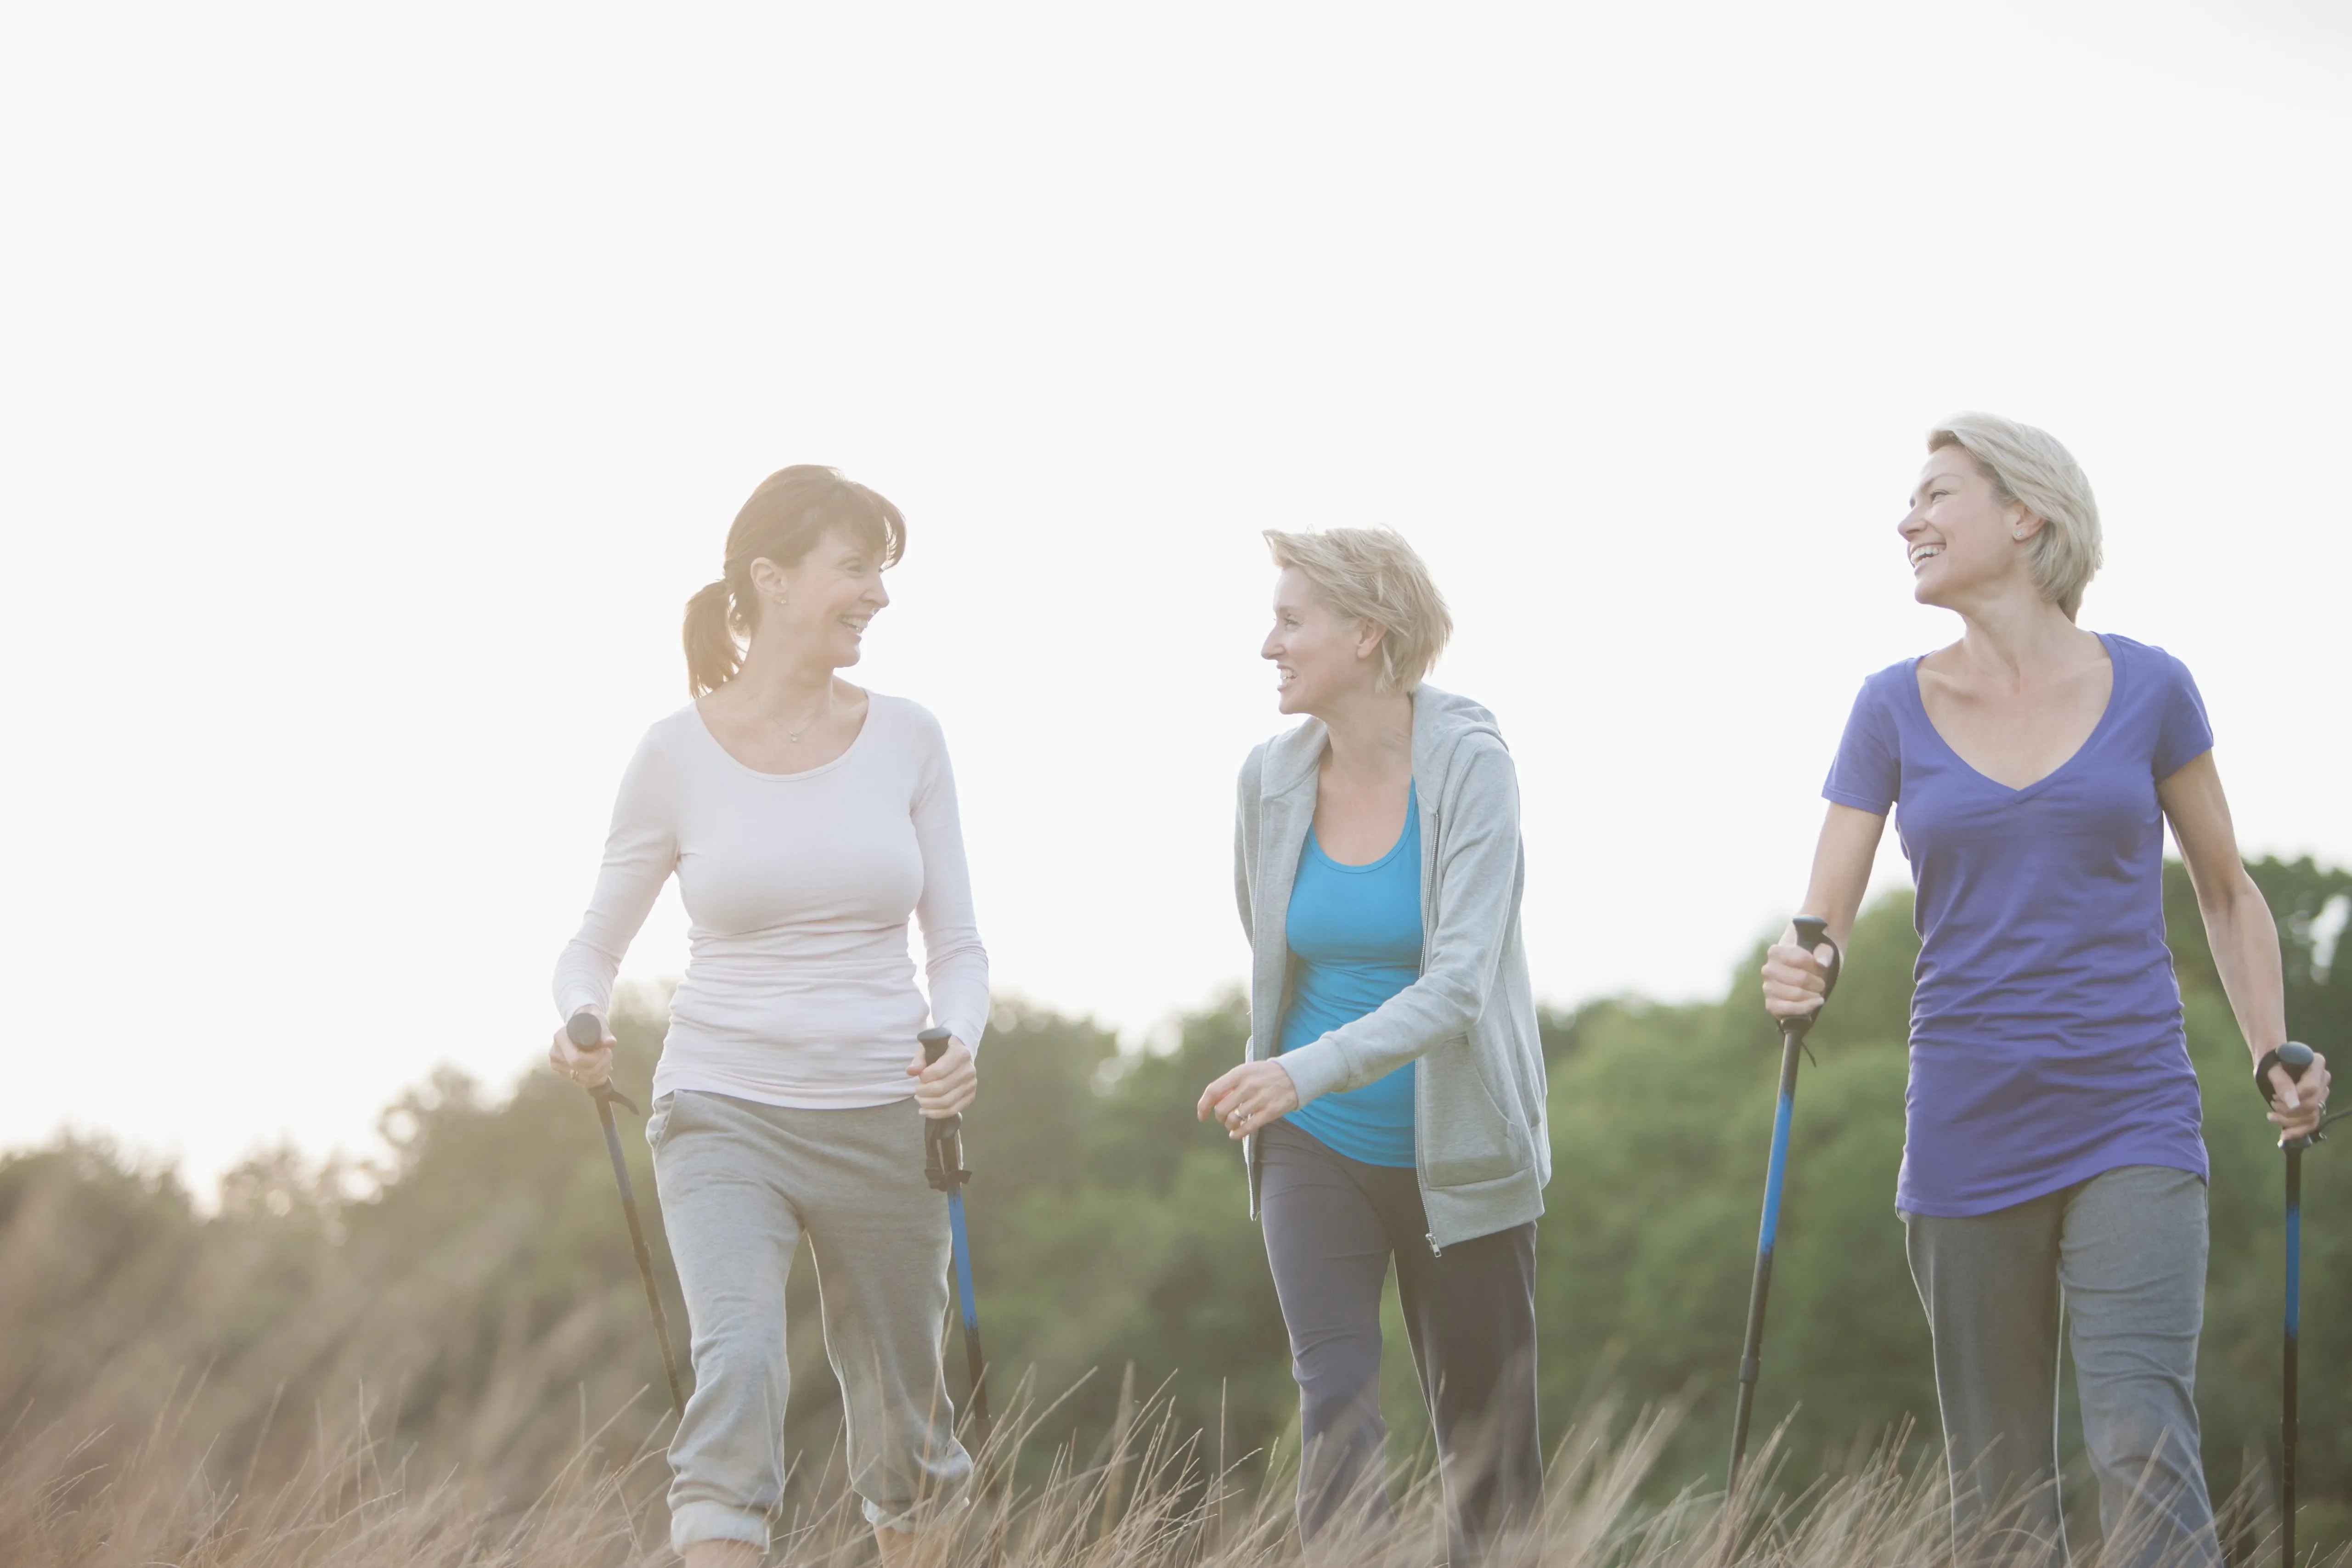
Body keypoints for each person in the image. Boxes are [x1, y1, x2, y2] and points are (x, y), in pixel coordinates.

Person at [1759, 414, 2331, 1567]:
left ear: (2027, 515)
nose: (1906, 519)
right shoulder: (1890, 706)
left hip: (2133, 1109)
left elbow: (2226, 894)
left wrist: (2274, 1047)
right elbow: (1819, 921)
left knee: (2140, 1439)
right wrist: (1799, 970)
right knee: (1999, 1493)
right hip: (1966, 1125)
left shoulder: (2152, 688)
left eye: (1935, 496)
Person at [549, 466, 987, 1568]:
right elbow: (591, 946)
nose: (876, 596)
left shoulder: (909, 736)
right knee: (737, 1368)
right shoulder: (673, 754)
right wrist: (581, 1018)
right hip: (721, 1110)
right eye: (856, 569)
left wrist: (959, 1047)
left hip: (887, 1115)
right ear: (773, 580)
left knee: (906, 1414)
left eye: (880, 573)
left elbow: (959, 948)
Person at [1199, 527, 1549, 1567]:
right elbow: (1273, 949)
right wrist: (1295, 1085)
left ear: (1367, 634)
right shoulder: (1268, 779)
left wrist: (1294, 1068)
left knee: (1487, 1446)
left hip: (1461, 1151)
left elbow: (1458, 985)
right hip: (1313, 1142)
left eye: (1290, 620)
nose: (1270, 644)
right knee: (1335, 1406)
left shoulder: (1472, 766)